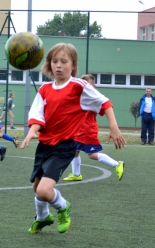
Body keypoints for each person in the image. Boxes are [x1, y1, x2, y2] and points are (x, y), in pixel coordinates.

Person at [20, 43, 126, 234]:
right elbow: (38, 115)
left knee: (44, 191)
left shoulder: (78, 86)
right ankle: (43, 218)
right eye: (55, 61)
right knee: (37, 188)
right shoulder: (44, 89)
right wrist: (31, 131)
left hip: (64, 146)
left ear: (73, 66)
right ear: (49, 64)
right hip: (44, 145)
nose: (58, 65)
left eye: (63, 61)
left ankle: (63, 207)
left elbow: (104, 102)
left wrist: (113, 126)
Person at [63, 74, 124, 182]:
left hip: (87, 130)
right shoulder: (78, 97)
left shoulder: (94, 98)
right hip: (78, 130)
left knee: (92, 155)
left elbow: (106, 106)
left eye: (88, 85)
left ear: (94, 87)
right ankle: (76, 174)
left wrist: (113, 126)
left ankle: (117, 164)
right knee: (74, 151)